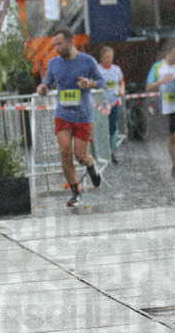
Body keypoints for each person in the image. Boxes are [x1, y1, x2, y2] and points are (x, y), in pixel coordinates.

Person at [37, 28, 106, 207]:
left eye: (59, 44)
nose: (57, 48)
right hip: (63, 114)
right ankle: (75, 191)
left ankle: (91, 165)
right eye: (55, 45)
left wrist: (89, 83)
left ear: (70, 42)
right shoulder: (53, 63)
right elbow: (48, 84)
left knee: (80, 155)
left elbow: (102, 82)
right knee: (65, 151)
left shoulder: (87, 61)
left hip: (83, 114)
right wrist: (43, 89)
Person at [146, 43, 175, 179]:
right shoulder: (158, 67)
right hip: (166, 107)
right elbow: (148, 87)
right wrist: (162, 81)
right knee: (171, 137)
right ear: (167, 53)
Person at [97, 46, 125, 163]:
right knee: (102, 127)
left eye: (110, 57)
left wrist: (121, 90)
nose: (109, 59)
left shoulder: (117, 69)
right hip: (102, 103)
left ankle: (113, 152)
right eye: (106, 57)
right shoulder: (97, 69)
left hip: (115, 102)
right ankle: (102, 152)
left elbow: (121, 82)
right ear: (102, 58)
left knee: (113, 127)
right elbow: (93, 83)